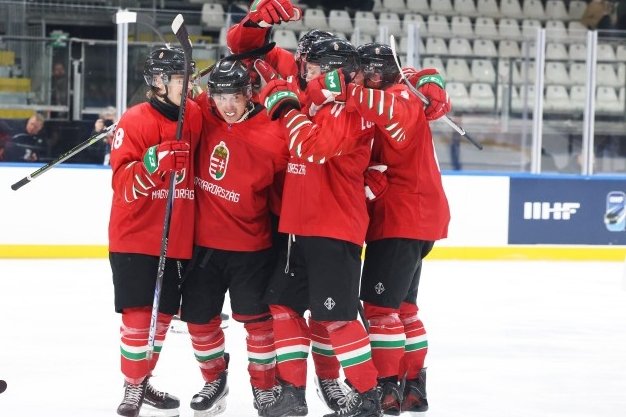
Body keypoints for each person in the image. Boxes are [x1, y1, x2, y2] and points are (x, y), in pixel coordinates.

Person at [256, 36, 382, 417]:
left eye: (311, 68)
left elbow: (311, 147)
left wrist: (286, 108)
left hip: (333, 229)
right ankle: (293, 394)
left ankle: (368, 396)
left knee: (337, 318)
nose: (305, 73)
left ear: (331, 71)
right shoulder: (315, 104)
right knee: (283, 306)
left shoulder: (348, 109)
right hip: (298, 227)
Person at [330, 43, 450, 414]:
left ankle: (385, 389)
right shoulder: (403, 92)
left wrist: (336, 88)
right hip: (418, 218)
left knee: (381, 309)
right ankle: (413, 386)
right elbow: (411, 81)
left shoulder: (397, 100)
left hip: (400, 218)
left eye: (361, 72)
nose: (356, 78)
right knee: (404, 307)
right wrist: (426, 77)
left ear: (375, 74)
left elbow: (393, 103)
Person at [180, 58, 290, 416]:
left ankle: (264, 387)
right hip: (203, 247)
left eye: (235, 97)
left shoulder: (274, 131)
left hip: (252, 247)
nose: (228, 106)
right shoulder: (201, 113)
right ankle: (214, 380)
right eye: (221, 97)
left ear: (249, 94)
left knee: (259, 324)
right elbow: (169, 106)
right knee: (199, 320)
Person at [108, 45, 201, 417]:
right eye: (180, 78)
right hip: (135, 235)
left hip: (177, 234)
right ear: (159, 82)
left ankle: (143, 379)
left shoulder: (194, 115)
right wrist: (152, 162)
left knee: (161, 317)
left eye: (188, 78)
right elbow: (122, 185)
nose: (187, 85)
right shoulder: (134, 120)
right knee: (138, 314)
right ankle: (132, 385)